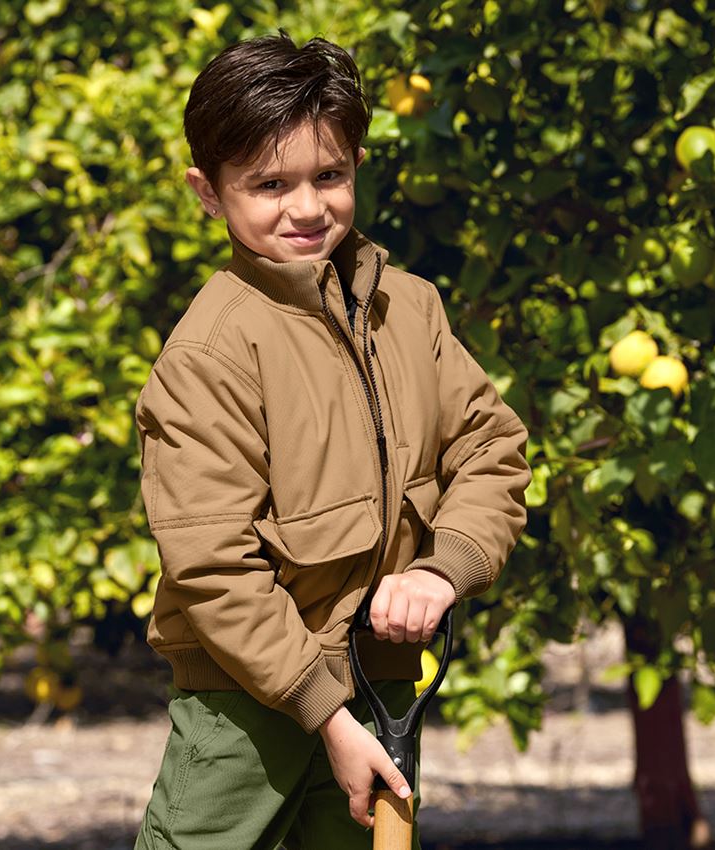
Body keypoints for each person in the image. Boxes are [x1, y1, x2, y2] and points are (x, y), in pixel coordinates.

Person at [132, 30, 531, 850]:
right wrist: (327, 715)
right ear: (208, 192)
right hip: (249, 710)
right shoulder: (210, 354)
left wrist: (442, 566)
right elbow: (212, 567)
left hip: (383, 686)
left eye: (330, 175)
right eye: (269, 184)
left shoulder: (410, 310)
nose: (308, 207)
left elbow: (492, 450)